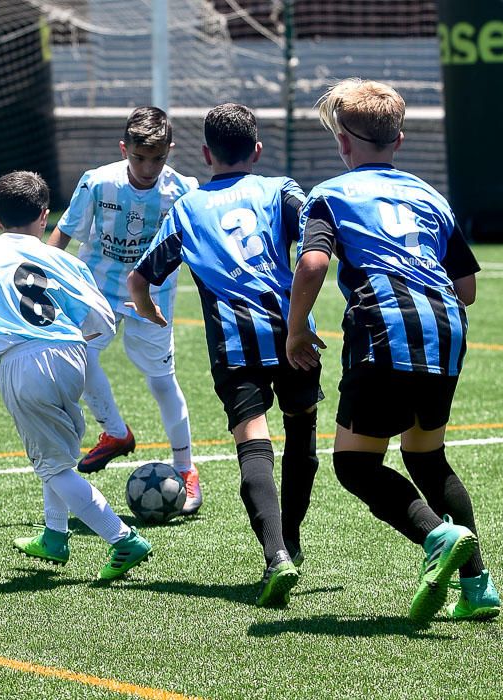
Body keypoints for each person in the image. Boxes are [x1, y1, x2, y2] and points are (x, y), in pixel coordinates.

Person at [286, 78, 500, 624]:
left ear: (343, 143)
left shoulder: (331, 194)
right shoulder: (432, 196)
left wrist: (296, 329)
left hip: (383, 331)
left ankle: (435, 536)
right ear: (399, 140)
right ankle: (479, 587)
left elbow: (312, 264)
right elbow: (468, 287)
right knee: (426, 456)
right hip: (446, 332)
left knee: (356, 465)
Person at [128, 103, 323, 607]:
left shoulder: (187, 208)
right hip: (293, 335)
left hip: (235, 345)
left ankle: (275, 555)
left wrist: (149, 310)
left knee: (252, 442)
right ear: (257, 150)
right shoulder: (281, 189)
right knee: (301, 434)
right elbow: (315, 241)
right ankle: (292, 542)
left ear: (205, 154)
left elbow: (140, 278)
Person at [0, 171, 152, 581]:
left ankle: (123, 539)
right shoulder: (63, 259)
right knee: (57, 453)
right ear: (45, 216)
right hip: (73, 356)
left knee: (53, 467)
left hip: (24, 361)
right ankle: (54, 536)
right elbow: (99, 314)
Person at [48, 106, 202, 515]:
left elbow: (195, 244)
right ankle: (116, 433)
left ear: (170, 150)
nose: (148, 167)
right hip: (96, 286)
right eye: (139, 157)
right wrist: (40, 272)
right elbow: (64, 232)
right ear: (124, 149)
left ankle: (185, 468)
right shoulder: (98, 182)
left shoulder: (183, 189)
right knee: (77, 358)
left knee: (161, 380)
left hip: (152, 295)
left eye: (158, 158)